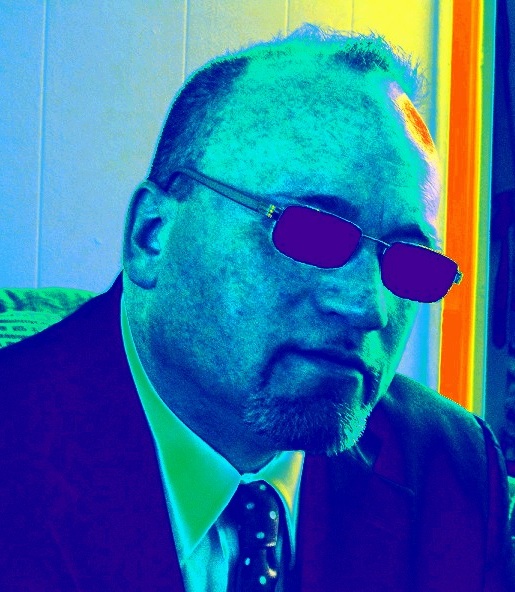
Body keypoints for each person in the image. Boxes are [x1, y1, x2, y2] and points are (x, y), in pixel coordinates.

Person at [1, 24, 513, 591]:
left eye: (413, 265)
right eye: (312, 233)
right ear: (152, 236)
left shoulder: (456, 472)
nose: (369, 307)